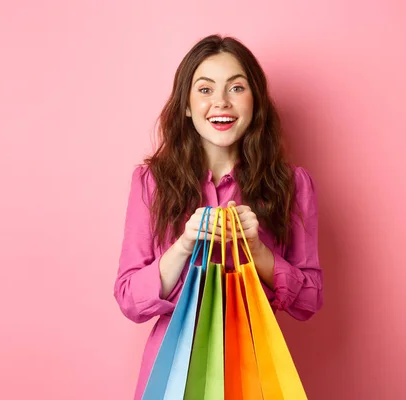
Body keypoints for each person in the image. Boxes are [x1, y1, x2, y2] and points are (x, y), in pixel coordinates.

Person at [113, 33, 323, 399]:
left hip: (257, 372)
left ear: (255, 102)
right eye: (205, 89)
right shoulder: (151, 183)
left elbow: (310, 300)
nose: (221, 102)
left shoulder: (292, 185)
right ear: (186, 106)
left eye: (236, 88)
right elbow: (130, 299)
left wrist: (258, 251)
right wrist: (183, 245)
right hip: (173, 375)